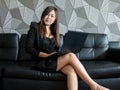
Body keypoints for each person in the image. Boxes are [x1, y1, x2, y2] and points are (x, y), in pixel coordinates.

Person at [26, 6, 110, 90]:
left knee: (71, 71)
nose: (49, 17)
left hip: (52, 60)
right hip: (41, 62)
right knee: (71, 56)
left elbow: (54, 50)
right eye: (47, 15)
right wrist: (47, 55)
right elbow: (29, 48)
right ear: (43, 15)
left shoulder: (54, 32)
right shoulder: (35, 27)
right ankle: (94, 86)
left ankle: (94, 86)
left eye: (52, 16)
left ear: (55, 19)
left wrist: (61, 52)